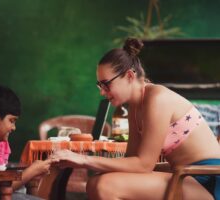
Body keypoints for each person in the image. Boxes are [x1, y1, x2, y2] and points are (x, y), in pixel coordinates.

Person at [52, 38, 220, 200]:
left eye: (106, 84)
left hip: (206, 180)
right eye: (99, 86)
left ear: (130, 76)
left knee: (105, 185)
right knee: (94, 182)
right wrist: (84, 162)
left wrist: (84, 160)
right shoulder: (136, 106)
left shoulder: (157, 98)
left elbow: (143, 164)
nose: (102, 92)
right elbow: (131, 159)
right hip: (184, 175)